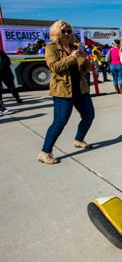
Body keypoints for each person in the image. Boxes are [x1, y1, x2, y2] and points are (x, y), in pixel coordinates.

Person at [37, 20, 95, 164]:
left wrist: (85, 59)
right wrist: (71, 57)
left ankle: (79, 139)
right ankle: (45, 152)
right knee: (60, 121)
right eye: (63, 31)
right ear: (57, 33)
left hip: (80, 89)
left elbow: (86, 69)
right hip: (63, 91)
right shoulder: (51, 48)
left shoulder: (75, 47)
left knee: (89, 116)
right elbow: (54, 67)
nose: (67, 34)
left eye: (69, 31)